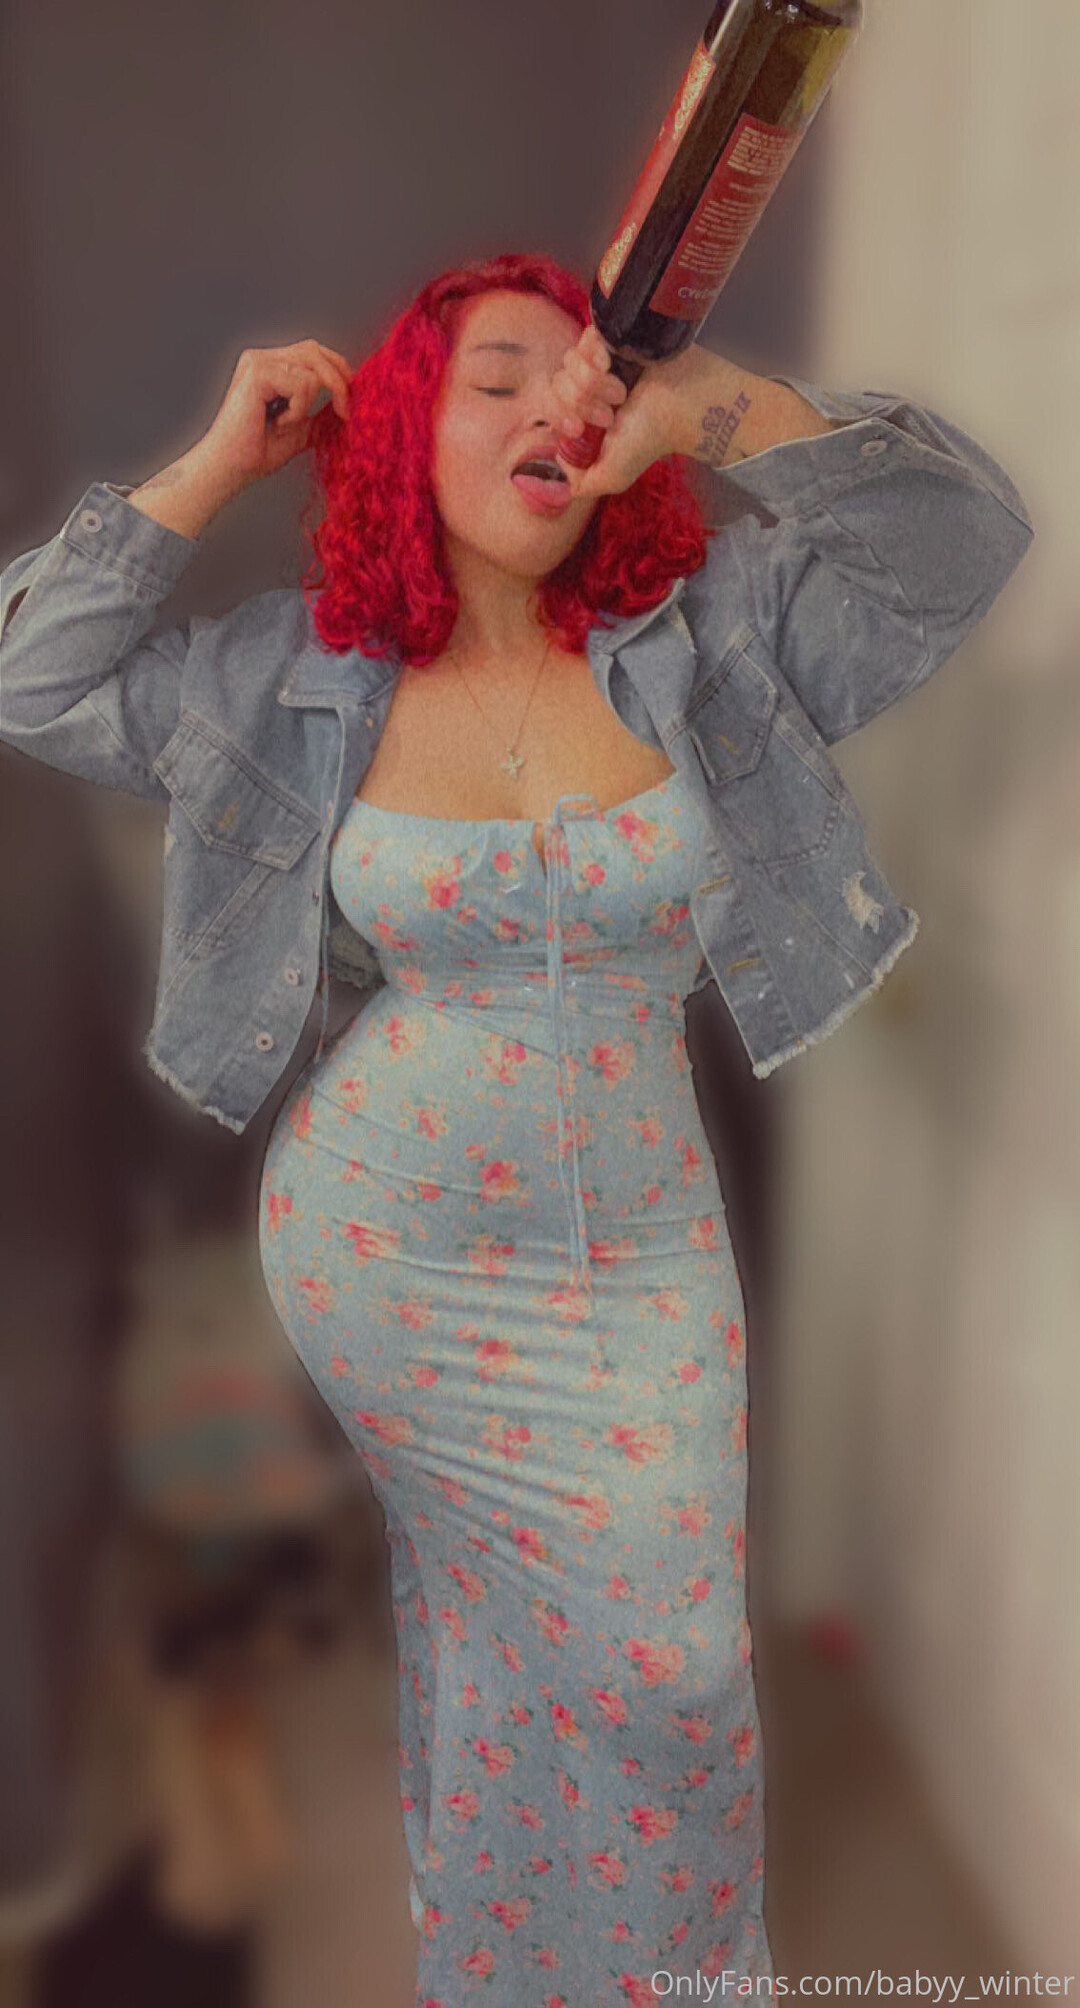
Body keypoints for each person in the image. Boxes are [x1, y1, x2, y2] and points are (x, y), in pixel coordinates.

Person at [0, 251, 1033, 2000]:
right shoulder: (288, 678)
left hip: (641, 1251)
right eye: (501, 376)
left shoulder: (713, 641)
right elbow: (31, 677)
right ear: (408, 424)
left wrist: (714, 411)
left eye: (586, 379)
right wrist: (220, 458)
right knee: (500, 1640)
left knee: (675, 1671)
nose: (559, 402)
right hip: (389, 1255)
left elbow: (961, 543)